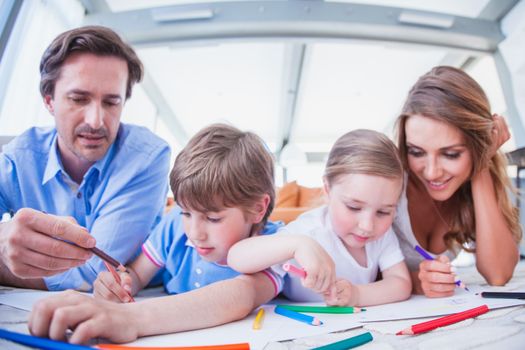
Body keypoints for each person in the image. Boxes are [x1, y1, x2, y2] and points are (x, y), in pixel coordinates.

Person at [28, 123, 335, 344]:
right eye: (187, 212)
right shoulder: (175, 225)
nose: (194, 233)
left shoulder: (269, 243)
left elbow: (241, 295)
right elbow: (136, 275)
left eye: (213, 218)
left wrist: (131, 319)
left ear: (257, 209)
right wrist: (117, 286)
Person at [0, 26, 170, 291]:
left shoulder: (147, 157)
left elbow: (93, 272)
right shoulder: (17, 158)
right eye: (79, 99)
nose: (96, 121)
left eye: (111, 102)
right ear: (49, 101)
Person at [228, 129, 412, 306]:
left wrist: (357, 294)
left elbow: (400, 283)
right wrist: (297, 245)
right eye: (354, 207)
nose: (367, 226)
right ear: (327, 189)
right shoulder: (308, 231)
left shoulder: (383, 235)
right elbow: (236, 257)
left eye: (383, 212)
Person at [393, 66, 522, 298]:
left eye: (451, 154)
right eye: (416, 151)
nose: (431, 173)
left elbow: (499, 274)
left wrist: (481, 165)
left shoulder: (471, 182)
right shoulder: (388, 182)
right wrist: (414, 282)